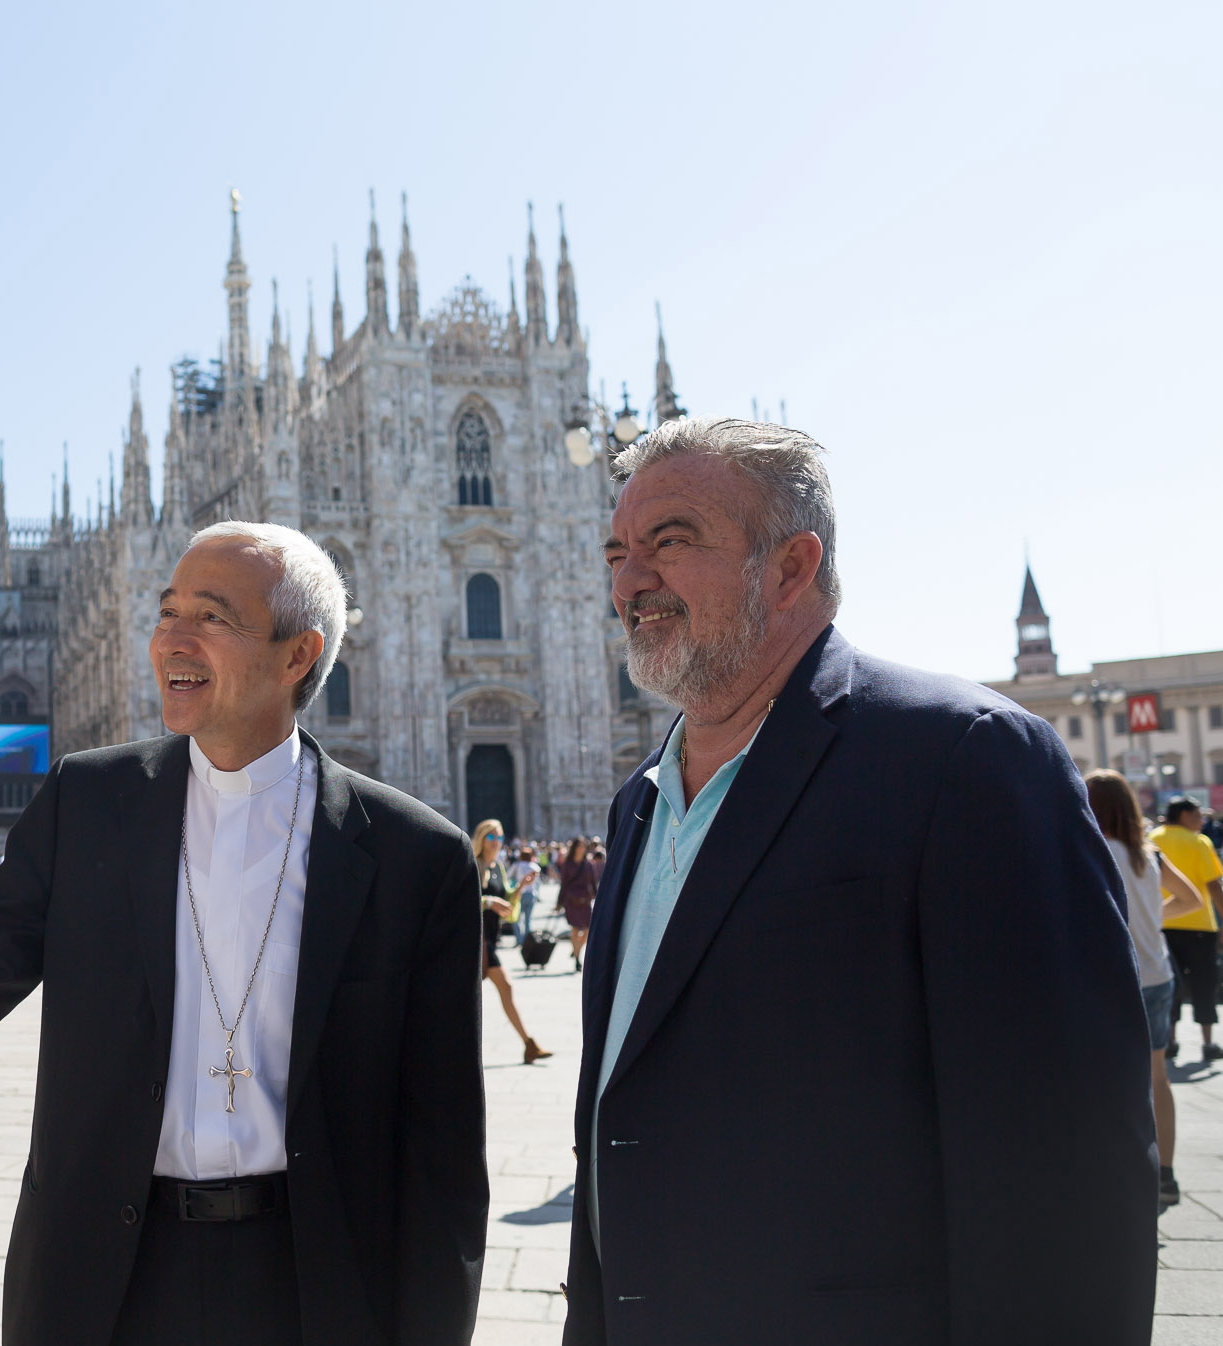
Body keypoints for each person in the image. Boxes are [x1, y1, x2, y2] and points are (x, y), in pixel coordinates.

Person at [0, 521, 488, 1346]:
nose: (172, 639)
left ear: (298, 654)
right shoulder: (89, 803)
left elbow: (443, 1159)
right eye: (167, 612)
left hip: (318, 1285)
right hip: (109, 1282)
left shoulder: (416, 856)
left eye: (212, 617)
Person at [566, 418, 1155, 1343]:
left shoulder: (965, 759)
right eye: (617, 553)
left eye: (670, 544)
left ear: (792, 568)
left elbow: (1064, 1167)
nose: (630, 581)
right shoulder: (636, 804)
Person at [1086, 770, 1203, 1210]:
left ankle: (1121, 1176)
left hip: (1117, 976)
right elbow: (1193, 899)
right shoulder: (1146, 854)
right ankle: (1166, 1177)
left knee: (1113, 1080)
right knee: (1157, 1077)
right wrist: (1151, 917)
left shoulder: (1096, 852)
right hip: (1159, 973)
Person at [1155, 795, 1223, 1063]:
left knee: (1170, 985)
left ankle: (1169, 1040)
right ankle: (1208, 1043)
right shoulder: (1199, 842)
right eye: (1197, 814)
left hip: (1163, 923)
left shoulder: (1152, 839)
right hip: (1199, 924)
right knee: (1205, 984)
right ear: (1183, 815)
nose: (1201, 820)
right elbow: (1214, 885)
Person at [476, 822, 551, 1064]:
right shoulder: (472, 863)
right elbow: (462, 899)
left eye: (499, 836)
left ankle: (529, 1045)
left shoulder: (498, 866)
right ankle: (528, 1044)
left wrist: (521, 886)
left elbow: (507, 902)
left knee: (500, 991)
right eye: (490, 836)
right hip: (474, 941)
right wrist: (488, 903)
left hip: (489, 940)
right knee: (502, 989)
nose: (496, 841)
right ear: (481, 838)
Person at [552, 836, 601, 972]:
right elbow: (564, 884)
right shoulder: (567, 864)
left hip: (585, 900)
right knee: (574, 929)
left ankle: (576, 950)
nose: (581, 849)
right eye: (579, 846)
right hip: (571, 901)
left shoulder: (589, 865)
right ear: (574, 848)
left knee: (587, 929)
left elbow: (593, 883)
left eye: (583, 847)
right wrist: (559, 902)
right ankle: (578, 958)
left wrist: (599, 900)